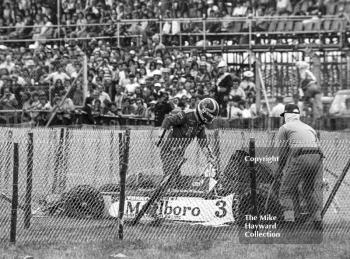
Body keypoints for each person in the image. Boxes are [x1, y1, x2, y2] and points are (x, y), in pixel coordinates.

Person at [276, 103, 324, 230]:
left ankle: (290, 223)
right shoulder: (309, 128)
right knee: (308, 191)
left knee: (285, 191)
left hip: (301, 157)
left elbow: (282, 152)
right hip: (317, 157)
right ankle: (318, 222)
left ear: (287, 115)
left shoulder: (285, 128)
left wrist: (280, 168)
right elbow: (318, 147)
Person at [296, 61, 323, 126]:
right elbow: (315, 80)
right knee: (317, 103)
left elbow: (302, 81)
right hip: (316, 89)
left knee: (302, 102)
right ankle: (319, 115)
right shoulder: (309, 72)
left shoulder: (303, 72)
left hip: (309, 89)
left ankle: (300, 117)